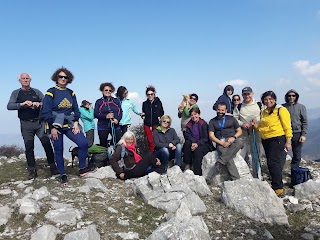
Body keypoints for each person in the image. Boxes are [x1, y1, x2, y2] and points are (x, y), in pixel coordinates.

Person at [42, 67, 95, 184]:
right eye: (60, 76)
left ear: (68, 79)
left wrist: (76, 123)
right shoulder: (51, 92)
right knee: (59, 149)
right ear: (56, 78)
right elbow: (46, 111)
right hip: (55, 125)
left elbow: (76, 109)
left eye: (65, 77)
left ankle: (82, 169)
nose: (63, 79)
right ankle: (63, 175)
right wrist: (52, 128)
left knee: (83, 143)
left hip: (70, 124)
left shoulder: (71, 92)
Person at [7, 73, 58, 179]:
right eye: (23, 79)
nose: (25, 80)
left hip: (39, 123)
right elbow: (9, 106)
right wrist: (22, 104)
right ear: (19, 81)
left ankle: (53, 168)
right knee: (29, 147)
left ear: (30, 80)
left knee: (46, 143)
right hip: (25, 124)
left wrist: (39, 104)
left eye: (27, 78)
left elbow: (47, 104)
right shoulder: (16, 93)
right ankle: (32, 171)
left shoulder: (36, 92)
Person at [252, 91, 292, 196]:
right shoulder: (264, 111)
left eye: (270, 99)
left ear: (274, 99)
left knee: (272, 163)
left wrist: (288, 141)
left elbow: (287, 127)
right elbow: (262, 126)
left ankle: (278, 188)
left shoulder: (281, 110)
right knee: (272, 162)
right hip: (266, 140)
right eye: (266, 99)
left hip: (277, 139)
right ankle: (276, 184)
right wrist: (256, 126)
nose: (268, 101)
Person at [233, 87, 263, 178]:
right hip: (243, 134)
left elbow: (264, 117)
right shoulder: (238, 106)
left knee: (257, 155)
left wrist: (257, 124)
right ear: (242, 95)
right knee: (240, 155)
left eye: (248, 94)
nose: (247, 96)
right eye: (245, 94)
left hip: (256, 133)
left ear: (252, 94)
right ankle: (242, 176)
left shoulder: (259, 105)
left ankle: (258, 176)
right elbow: (234, 119)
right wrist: (243, 124)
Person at [209, 102, 243, 180]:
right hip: (220, 141)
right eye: (219, 110)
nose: (220, 112)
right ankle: (236, 179)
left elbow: (239, 131)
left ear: (226, 110)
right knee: (228, 157)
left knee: (240, 142)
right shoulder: (212, 121)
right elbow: (211, 136)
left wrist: (233, 138)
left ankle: (220, 162)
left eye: (222, 110)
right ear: (216, 110)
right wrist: (221, 142)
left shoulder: (231, 118)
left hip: (232, 139)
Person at [183, 107, 215, 175]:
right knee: (187, 143)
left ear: (199, 114)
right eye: (192, 115)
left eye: (195, 114)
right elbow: (187, 135)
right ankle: (187, 164)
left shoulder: (203, 124)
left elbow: (206, 138)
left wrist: (197, 144)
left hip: (205, 144)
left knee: (198, 151)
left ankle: (197, 173)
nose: (194, 116)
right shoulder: (189, 124)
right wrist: (193, 142)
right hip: (194, 142)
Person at [283, 89, 308, 169]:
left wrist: (303, 135)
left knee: (297, 155)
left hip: (297, 133)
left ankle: (294, 172)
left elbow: (304, 122)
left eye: (293, 95)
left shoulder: (301, 107)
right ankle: (278, 172)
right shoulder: (282, 107)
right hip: (284, 134)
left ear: (296, 96)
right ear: (287, 97)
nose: (291, 97)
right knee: (282, 153)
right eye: (289, 96)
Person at [94, 83, 122, 147]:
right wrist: (106, 116)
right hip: (102, 127)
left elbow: (120, 111)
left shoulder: (116, 100)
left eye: (110, 90)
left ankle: (115, 155)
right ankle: (105, 156)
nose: (108, 92)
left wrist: (117, 119)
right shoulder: (99, 101)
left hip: (115, 126)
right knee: (103, 146)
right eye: (106, 90)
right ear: (102, 91)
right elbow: (95, 114)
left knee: (119, 143)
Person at [142, 85, 164, 152]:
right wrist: (143, 116)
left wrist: (159, 116)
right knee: (150, 141)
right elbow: (143, 112)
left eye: (151, 94)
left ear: (154, 94)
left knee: (157, 141)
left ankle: (158, 155)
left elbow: (162, 112)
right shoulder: (144, 103)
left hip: (156, 124)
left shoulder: (158, 102)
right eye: (148, 94)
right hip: (147, 124)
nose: (150, 96)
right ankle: (152, 156)